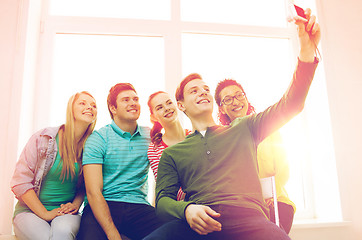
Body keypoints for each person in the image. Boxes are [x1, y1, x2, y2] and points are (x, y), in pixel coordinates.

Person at [144, 8, 320, 240]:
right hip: (200, 222)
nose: (203, 92)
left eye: (206, 89)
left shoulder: (245, 127)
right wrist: (186, 209)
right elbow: (163, 202)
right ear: (181, 105)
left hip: (251, 221)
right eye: (194, 91)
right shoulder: (173, 154)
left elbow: (292, 104)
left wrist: (306, 50)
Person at [77, 83, 163, 240]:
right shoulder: (98, 138)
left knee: (173, 233)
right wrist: (112, 234)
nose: (133, 103)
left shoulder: (150, 136)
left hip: (139, 207)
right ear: (113, 108)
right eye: (125, 99)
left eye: (135, 99)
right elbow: (93, 192)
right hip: (104, 204)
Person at [10, 91, 97, 240]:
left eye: (93, 105)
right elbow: (20, 182)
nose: (89, 107)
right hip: (29, 212)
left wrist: (75, 204)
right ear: (71, 109)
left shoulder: (92, 147)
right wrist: (45, 213)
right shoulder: (44, 138)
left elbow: (86, 186)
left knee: (62, 234)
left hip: (65, 213)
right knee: (44, 237)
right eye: (82, 103)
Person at [214, 79, 295, 234]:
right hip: (244, 209)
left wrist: (270, 195)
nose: (235, 101)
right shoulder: (221, 140)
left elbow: (283, 170)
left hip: (276, 203)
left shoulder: (269, 126)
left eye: (239, 95)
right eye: (228, 99)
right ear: (222, 108)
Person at [147, 91, 191, 204]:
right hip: (179, 208)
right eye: (159, 107)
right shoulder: (154, 150)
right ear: (153, 117)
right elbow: (166, 187)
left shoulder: (194, 136)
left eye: (169, 103)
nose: (167, 108)